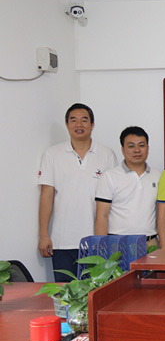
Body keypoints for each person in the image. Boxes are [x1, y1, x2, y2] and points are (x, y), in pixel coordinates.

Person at [38, 103, 118, 281]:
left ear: (92, 124)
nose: (79, 125)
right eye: (73, 120)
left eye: (84, 120)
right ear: (67, 124)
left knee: (96, 292)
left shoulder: (107, 154)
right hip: (62, 240)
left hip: (97, 241)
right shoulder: (52, 154)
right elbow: (46, 196)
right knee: (65, 292)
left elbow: (113, 199)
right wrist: (43, 234)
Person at [94, 126, 162, 249]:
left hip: (150, 243)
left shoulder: (158, 175)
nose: (137, 150)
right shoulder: (110, 176)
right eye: (131, 146)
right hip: (118, 244)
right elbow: (101, 216)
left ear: (147, 148)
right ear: (123, 149)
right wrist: (102, 249)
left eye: (141, 145)